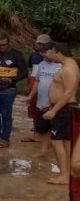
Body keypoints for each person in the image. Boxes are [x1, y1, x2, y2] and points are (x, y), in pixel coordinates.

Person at [41, 42, 80, 184]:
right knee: (66, 142)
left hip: (64, 109)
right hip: (63, 108)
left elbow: (69, 92)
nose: (47, 55)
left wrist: (54, 110)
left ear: (56, 51)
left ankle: (64, 175)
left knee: (57, 141)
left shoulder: (69, 68)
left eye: (49, 52)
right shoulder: (67, 66)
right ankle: (68, 173)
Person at [24, 52, 61, 158]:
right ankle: (43, 150)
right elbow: (37, 82)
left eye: (47, 53)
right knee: (43, 129)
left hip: (54, 103)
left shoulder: (60, 66)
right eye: (43, 54)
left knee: (56, 130)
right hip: (41, 102)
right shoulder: (41, 64)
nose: (44, 56)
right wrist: (30, 96)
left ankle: (60, 153)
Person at [23, 34, 52, 142]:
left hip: (46, 84)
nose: (39, 45)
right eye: (38, 43)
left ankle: (47, 134)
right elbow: (30, 70)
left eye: (42, 44)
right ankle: (36, 133)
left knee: (46, 108)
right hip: (34, 82)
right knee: (34, 110)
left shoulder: (51, 57)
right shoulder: (34, 55)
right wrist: (28, 84)